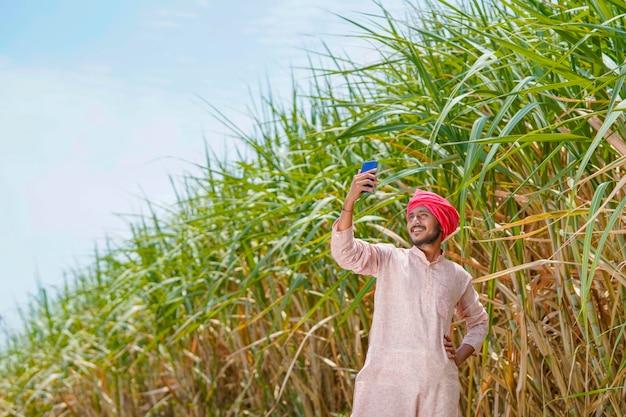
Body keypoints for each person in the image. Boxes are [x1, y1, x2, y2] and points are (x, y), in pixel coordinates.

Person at [330, 166, 489, 417]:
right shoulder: (389, 259)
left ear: (441, 223)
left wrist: (459, 355)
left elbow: (479, 321)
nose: (415, 221)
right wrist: (350, 202)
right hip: (386, 385)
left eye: (423, 215)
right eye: (411, 216)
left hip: (437, 387)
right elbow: (345, 254)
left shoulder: (457, 275)